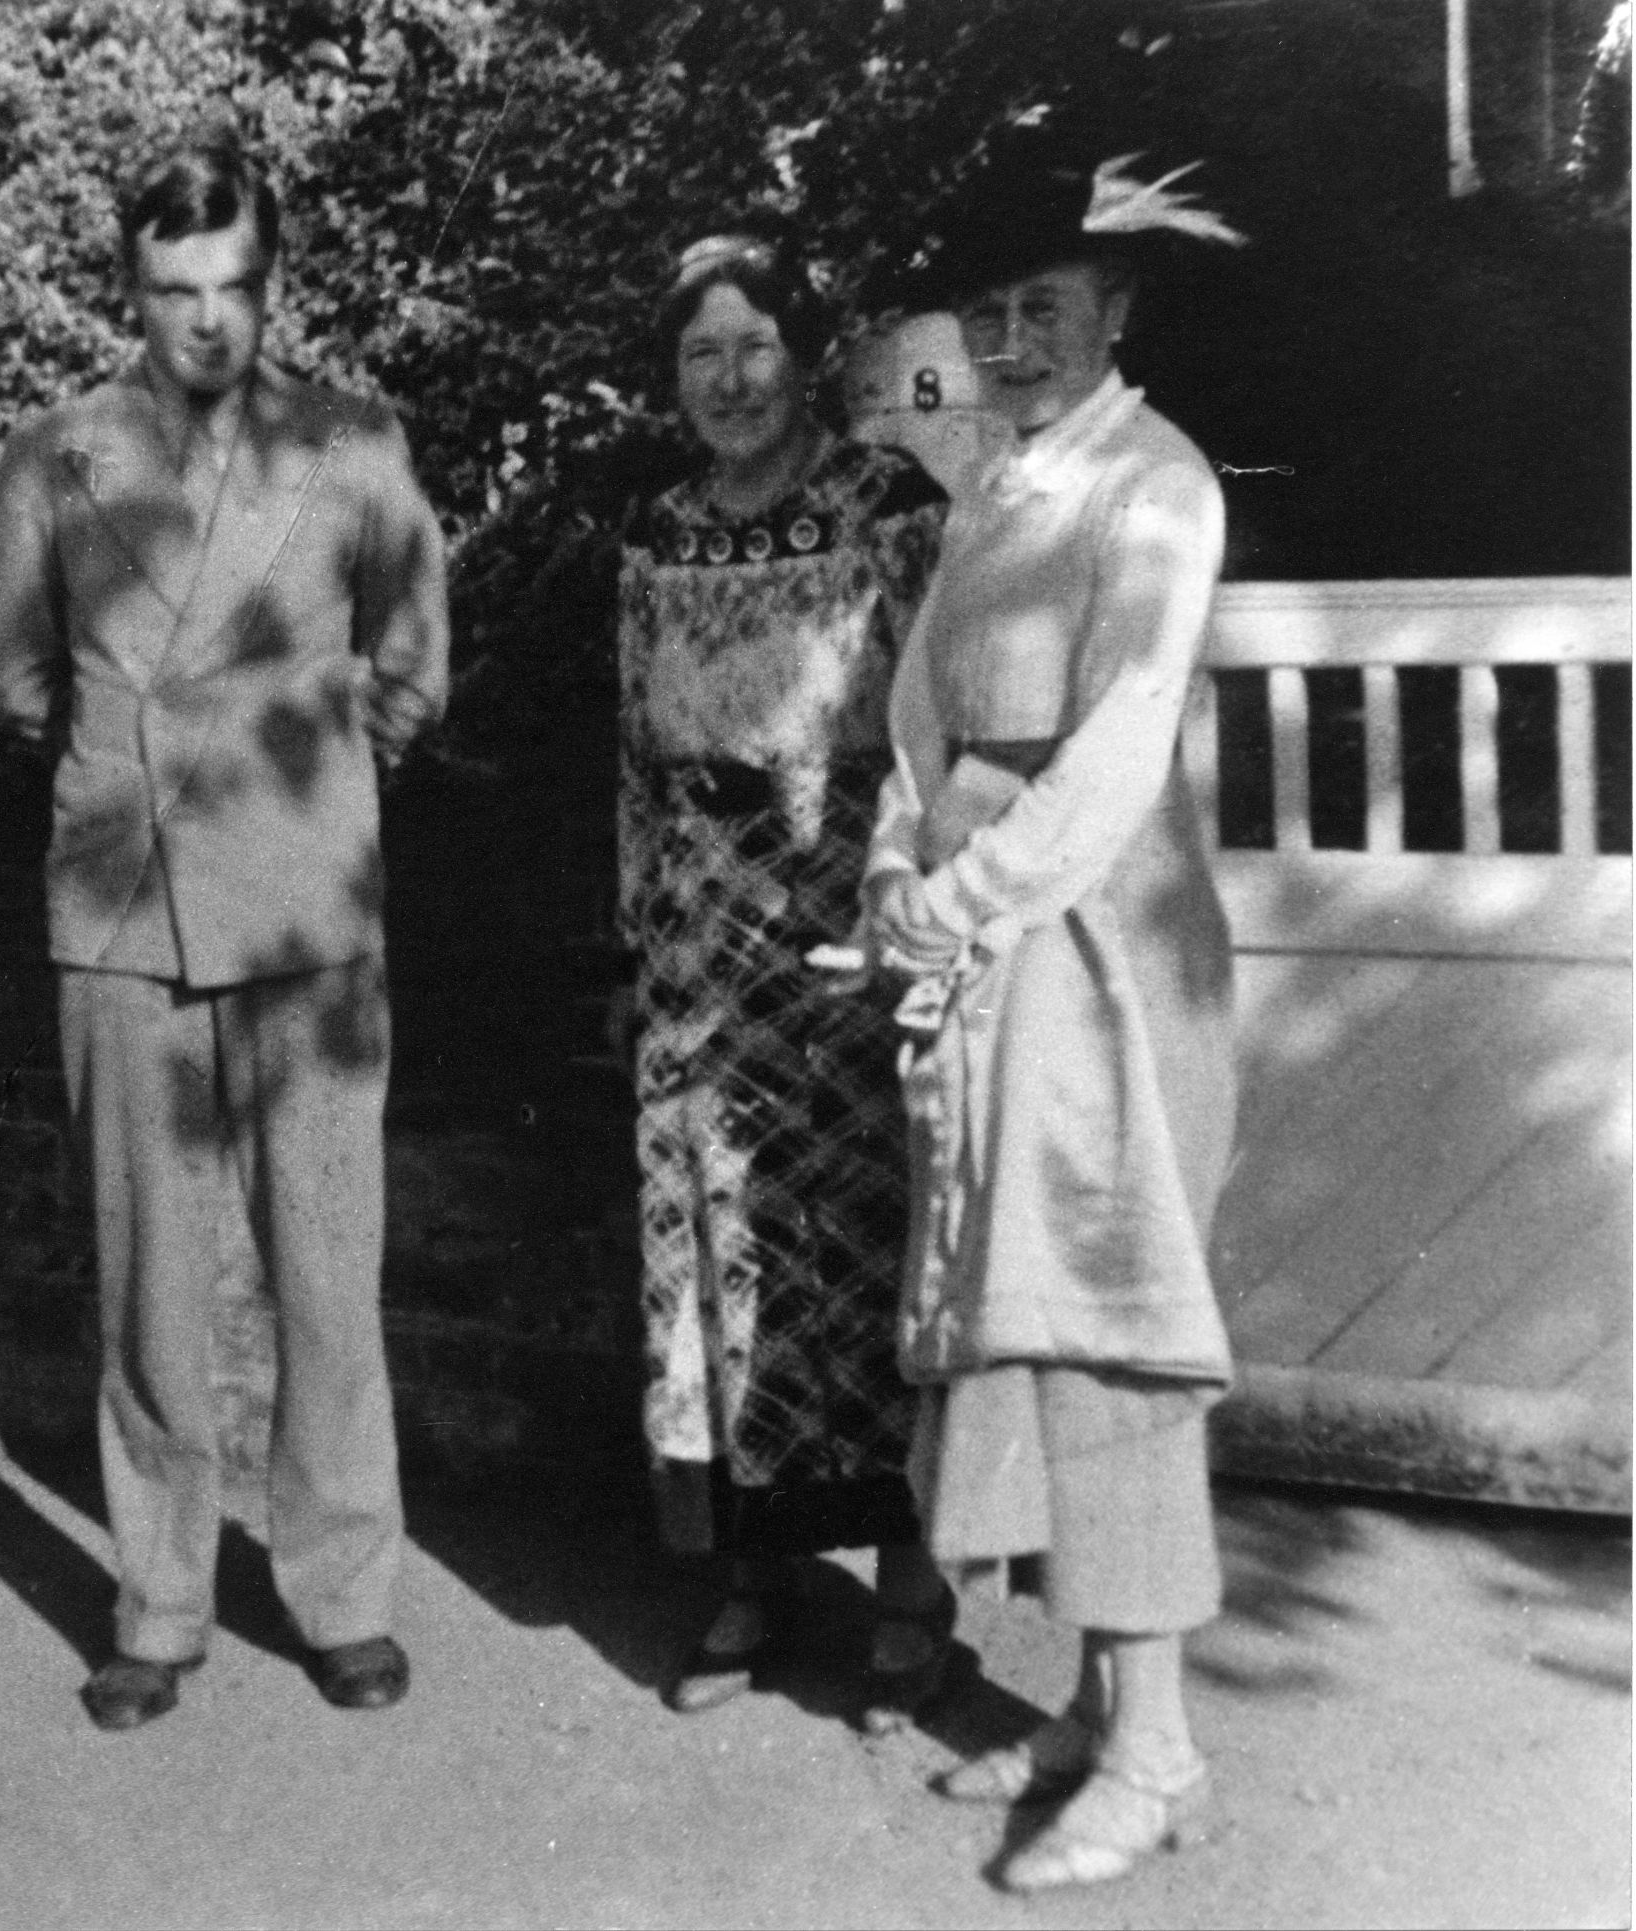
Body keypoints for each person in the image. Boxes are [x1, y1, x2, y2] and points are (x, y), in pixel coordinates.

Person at [0, 132, 449, 1730]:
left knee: (329, 1271)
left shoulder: (358, 446)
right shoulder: (55, 459)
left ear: (274, 279)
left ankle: (341, 1590)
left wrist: (292, 770)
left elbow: (413, 669)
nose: (205, 321)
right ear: (132, 286)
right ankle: (161, 1599)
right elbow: (24, 681)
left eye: (234, 285)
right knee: (148, 1284)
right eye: (172, 288)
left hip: (308, 913)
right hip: (124, 904)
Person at [861, 148, 1247, 1890]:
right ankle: (1096, 1711)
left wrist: (954, 905)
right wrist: (896, 867)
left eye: (1046, 309)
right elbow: (917, 715)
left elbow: (1114, 752)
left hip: (1101, 951)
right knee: (1024, 1322)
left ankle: (1157, 1747)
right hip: (994, 952)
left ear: (1118, 312)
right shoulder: (997, 489)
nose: (1011, 342)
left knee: (1110, 1334)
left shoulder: (1152, 487)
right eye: (991, 314)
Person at [615, 234, 952, 1724]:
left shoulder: (890, 509)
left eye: (754, 347)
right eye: (703, 354)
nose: (731, 379)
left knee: (860, 1256)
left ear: (803, 353)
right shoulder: (655, 531)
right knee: (717, 1264)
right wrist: (636, 941)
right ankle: (749, 1582)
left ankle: (911, 1595)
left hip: (843, 937)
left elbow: (942, 737)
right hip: (700, 956)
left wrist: (912, 922)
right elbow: (633, 759)